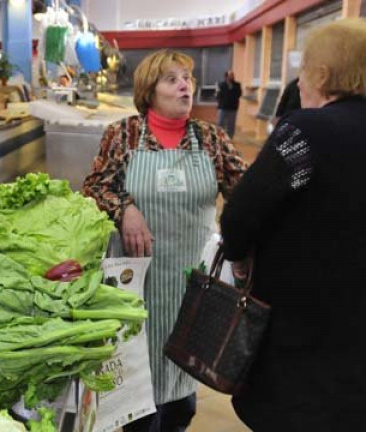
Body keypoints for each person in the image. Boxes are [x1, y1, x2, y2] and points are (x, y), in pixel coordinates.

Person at [83, 50, 248, 432]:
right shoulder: (123, 134)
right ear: (149, 90)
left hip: (193, 281)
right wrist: (125, 208)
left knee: (183, 394)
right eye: (172, 79)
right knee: (140, 397)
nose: (184, 85)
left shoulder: (211, 138)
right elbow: (95, 187)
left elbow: (246, 194)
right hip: (138, 281)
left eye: (187, 78)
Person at [220, 19, 366, 432]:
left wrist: (241, 264)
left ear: (321, 74)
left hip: (301, 324)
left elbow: (240, 215)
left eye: (302, 71)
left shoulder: (307, 132)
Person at [216, 71, 242, 137]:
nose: (232, 76)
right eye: (230, 75)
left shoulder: (237, 84)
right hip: (223, 107)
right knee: (220, 123)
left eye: (233, 75)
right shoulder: (221, 84)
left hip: (233, 107)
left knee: (231, 124)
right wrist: (220, 102)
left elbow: (239, 94)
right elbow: (218, 95)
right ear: (226, 76)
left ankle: (230, 137)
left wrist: (232, 88)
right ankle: (219, 136)